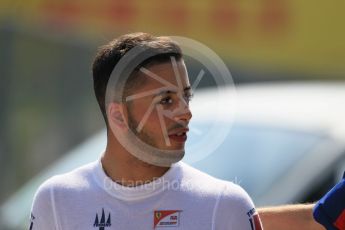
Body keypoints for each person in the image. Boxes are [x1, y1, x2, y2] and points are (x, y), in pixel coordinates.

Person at [29, 32, 264, 229]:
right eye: (166, 101)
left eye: (186, 96)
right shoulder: (55, 199)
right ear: (118, 116)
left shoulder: (226, 204)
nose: (186, 113)